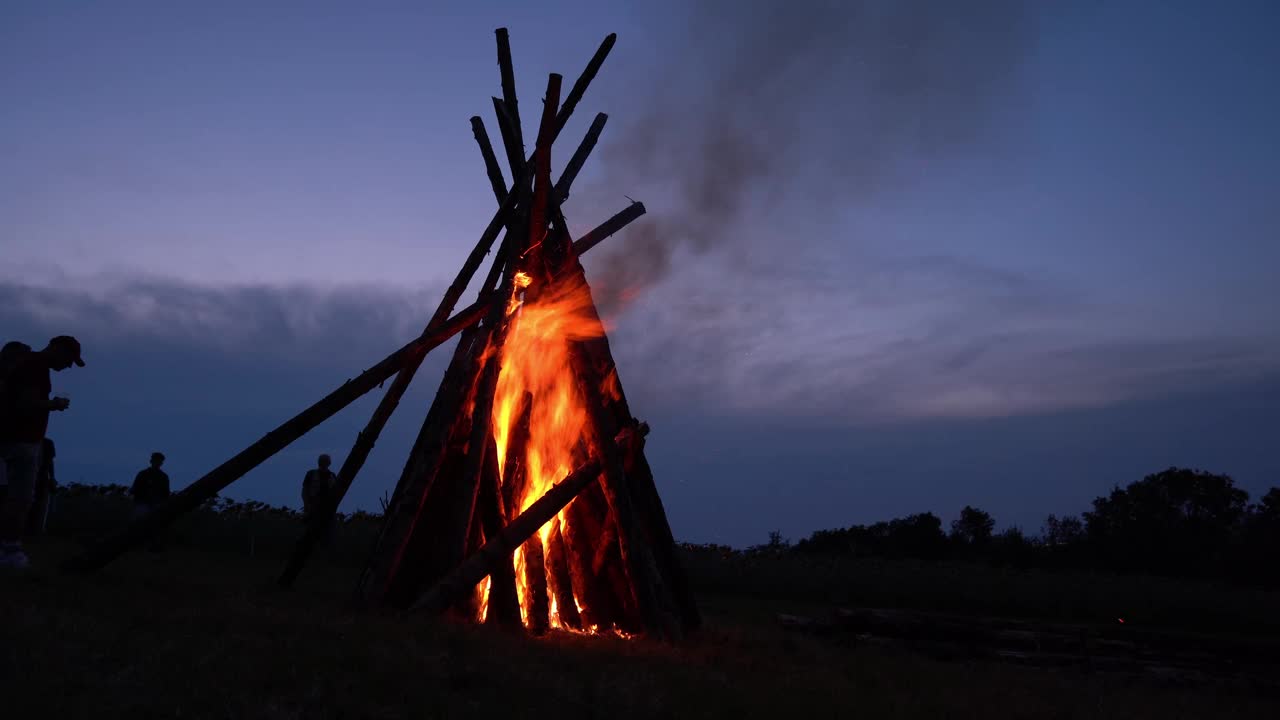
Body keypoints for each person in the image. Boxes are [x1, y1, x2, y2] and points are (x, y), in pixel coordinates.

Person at [0, 335, 83, 570]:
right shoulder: (34, 366)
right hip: (21, 440)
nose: (68, 366)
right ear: (57, 349)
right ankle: (10, 551)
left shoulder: (28, 365)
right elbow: (26, 403)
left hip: (15, 438)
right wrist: (53, 404)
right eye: (69, 359)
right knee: (21, 497)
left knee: (14, 497)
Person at [130, 452, 170, 551]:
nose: (158, 463)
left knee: (155, 528)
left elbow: (166, 494)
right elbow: (135, 489)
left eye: (159, 461)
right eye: (156, 460)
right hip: (142, 504)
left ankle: (153, 547)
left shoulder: (163, 477)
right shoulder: (143, 474)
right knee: (139, 526)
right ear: (151, 461)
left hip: (156, 506)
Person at [302, 454, 338, 546]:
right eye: (323, 461)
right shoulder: (311, 474)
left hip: (328, 507)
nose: (324, 463)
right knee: (312, 529)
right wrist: (307, 505)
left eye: (325, 461)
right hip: (314, 506)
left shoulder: (332, 476)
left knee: (328, 530)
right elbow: (305, 491)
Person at [26, 437, 57, 536]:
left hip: (40, 478)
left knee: (37, 504)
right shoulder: (45, 443)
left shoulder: (46, 443)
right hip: (34, 477)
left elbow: (50, 462)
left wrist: (52, 477)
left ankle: (35, 530)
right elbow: (50, 462)